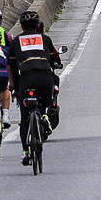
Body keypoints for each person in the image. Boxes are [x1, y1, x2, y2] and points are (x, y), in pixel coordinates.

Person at [6, 10, 62, 166]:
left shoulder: (16, 41)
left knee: (24, 118)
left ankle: (25, 153)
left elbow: (10, 66)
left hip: (26, 77)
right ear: (38, 25)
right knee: (47, 98)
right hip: (44, 76)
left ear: (22, 27)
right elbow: (55, 57)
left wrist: (13, 86)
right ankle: (44, 116)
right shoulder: (45, 39)